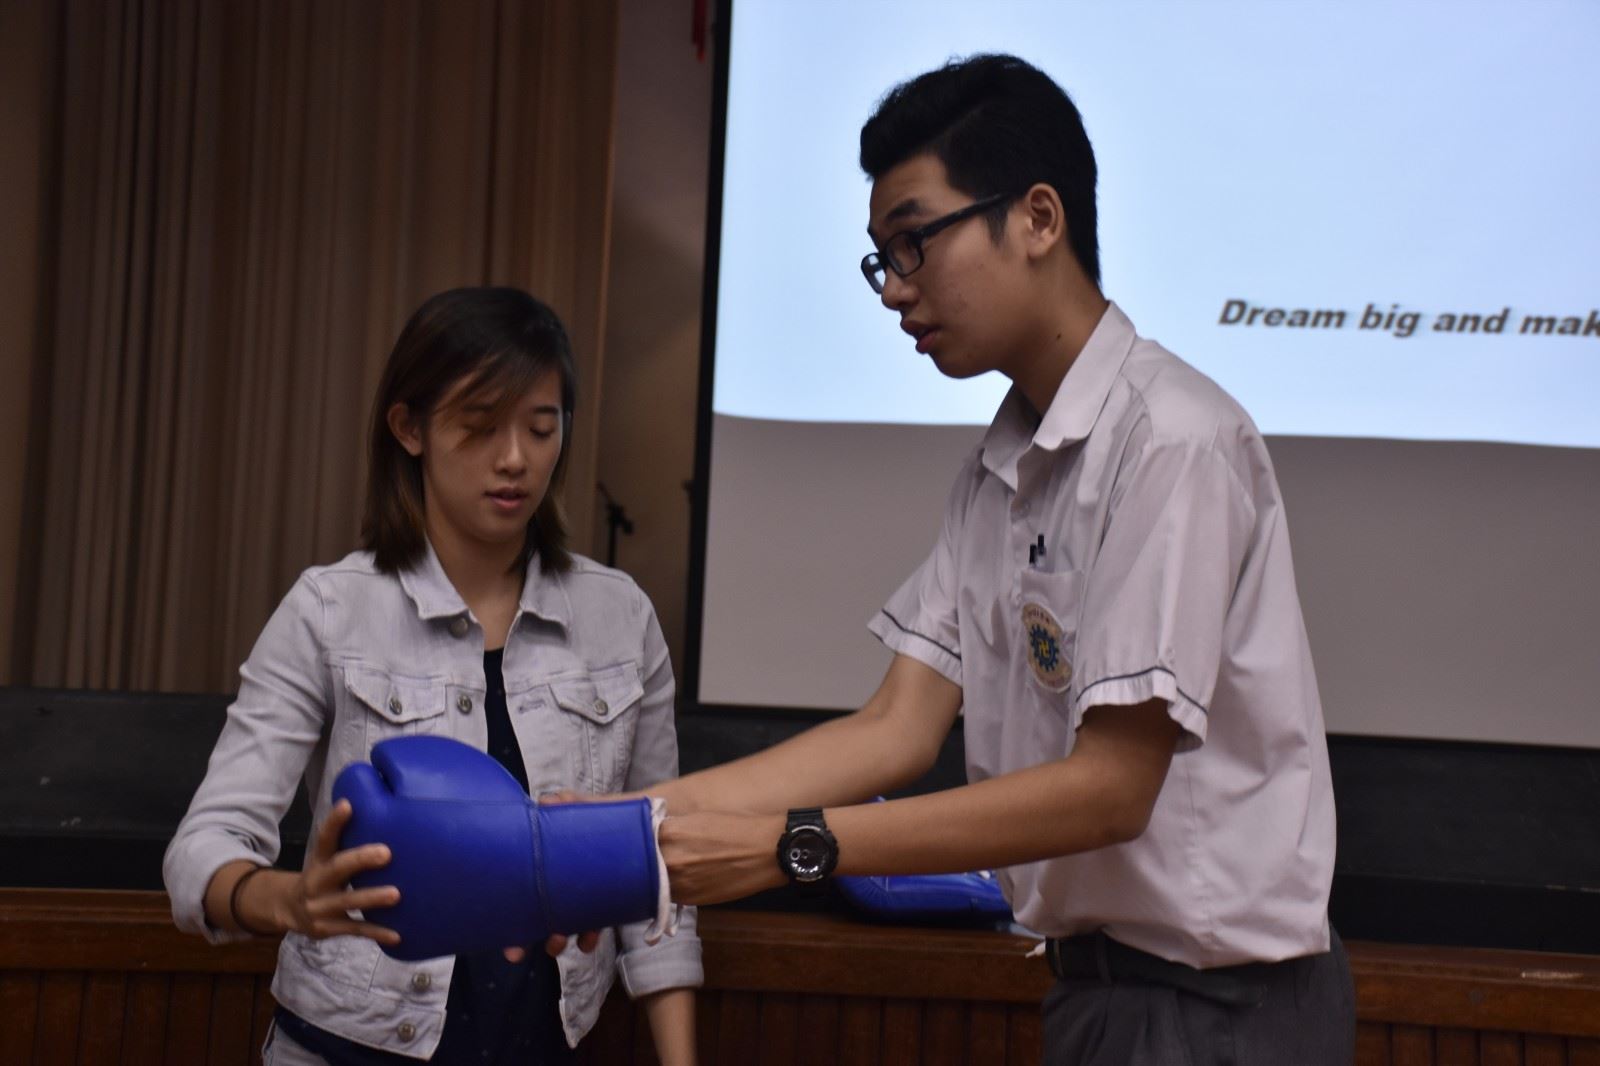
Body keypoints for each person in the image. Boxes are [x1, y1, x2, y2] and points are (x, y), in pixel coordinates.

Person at [643, 55, 1354, 1065]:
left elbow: (1110, 787)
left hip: (1220, 1009)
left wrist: (791, 846)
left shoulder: (1172, 440)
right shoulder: (999, 469)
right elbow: (895, 729)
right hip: (1093, 990)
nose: (895, 288)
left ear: (1037, 218)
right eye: (880, 258)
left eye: (914, 242)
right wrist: (626, 827)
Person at [164, 287, 700, 1065]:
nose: (515, 458)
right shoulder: (331, 610)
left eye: (541, 427)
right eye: (480, 426)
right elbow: (203, 846)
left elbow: (658, 872)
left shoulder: (620, 616)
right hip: (345, 1047)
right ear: (409, 428)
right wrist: (286, 899)